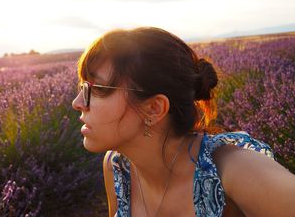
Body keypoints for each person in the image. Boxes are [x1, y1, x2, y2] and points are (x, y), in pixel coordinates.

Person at [72, 27, 295, 217]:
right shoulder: (117, 167)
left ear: (154, 108)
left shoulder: (232, 169)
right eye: (82, 87)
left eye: (98, 89)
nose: (77, 102)